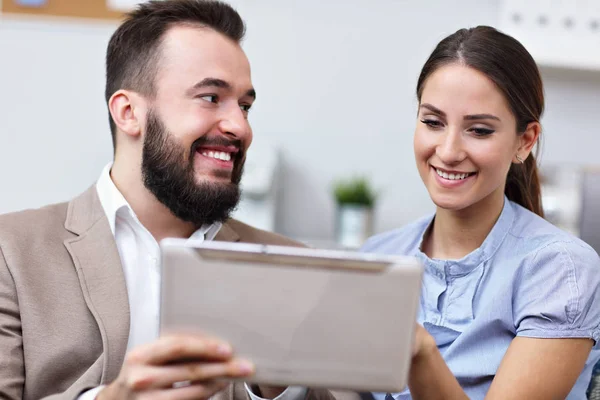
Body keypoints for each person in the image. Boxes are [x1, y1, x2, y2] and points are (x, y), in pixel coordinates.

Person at [0, 1, 339, 400]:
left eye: (245, 106)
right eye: (211, 97)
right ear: (128, 112)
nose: (240, 127)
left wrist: (279, 387)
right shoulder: (12, 250)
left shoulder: (292, 266)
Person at [361, 26, 600, 399]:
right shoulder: (376, 256)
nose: (449, 150)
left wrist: (421, 351)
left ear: (525, 141)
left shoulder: (560, 270)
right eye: (432, 122)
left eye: (479, 130)